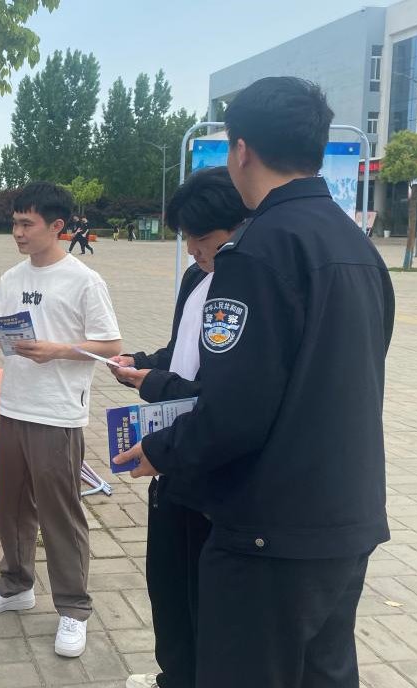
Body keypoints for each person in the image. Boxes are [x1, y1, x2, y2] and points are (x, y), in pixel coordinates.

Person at [112, 77, 395, 688]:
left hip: (269, 529)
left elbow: (236, 408)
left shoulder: (257, 251)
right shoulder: (357, 245)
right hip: (346, 515)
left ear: (241, 150)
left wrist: (160, 450)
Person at [0, 182, 121, 658]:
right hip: (14, 406)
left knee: (59, 514)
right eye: (14, 223)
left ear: (57, 226)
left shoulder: (84, 280)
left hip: (57, 414)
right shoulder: (12, 278)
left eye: (26, 223)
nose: (18, 232)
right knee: (11, 507)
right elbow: (0, 341)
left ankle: (74, 608)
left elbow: (110, 346)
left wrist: (59, 349)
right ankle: (15, 585)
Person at [110, 167, 248, 688]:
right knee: (167, 583)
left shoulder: (246, 285)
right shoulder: (196, 278)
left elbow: (226, 393)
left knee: (203, 592)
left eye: (202, 237)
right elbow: (182, 351)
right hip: (173, 454)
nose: (193, 249)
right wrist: (142, 364)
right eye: (186, 237)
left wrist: (155, 383)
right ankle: (175, 675)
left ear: (238, 225)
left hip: (209, 455)